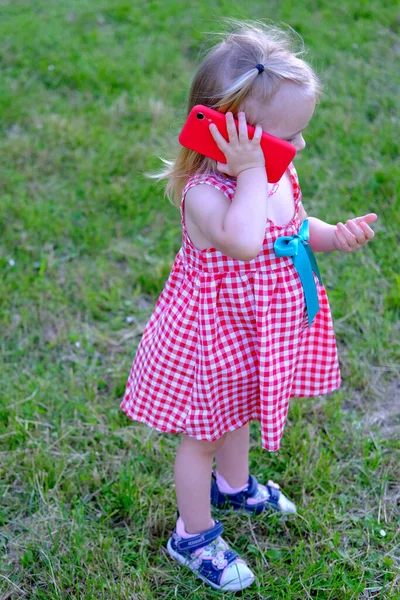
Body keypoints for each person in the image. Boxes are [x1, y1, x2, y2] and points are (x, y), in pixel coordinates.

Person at [120, 20, 377, 591]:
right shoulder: (208, 196)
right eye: (291, 136)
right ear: (236, 136)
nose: (301, 146)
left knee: (240, 411)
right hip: (210, 339)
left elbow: (288, 226)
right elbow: (241, 239)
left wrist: (331, 234)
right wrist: (254, 171)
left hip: (255, 330)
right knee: (201, 435)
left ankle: (234, 487)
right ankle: (193, 533)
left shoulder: (271, 175)